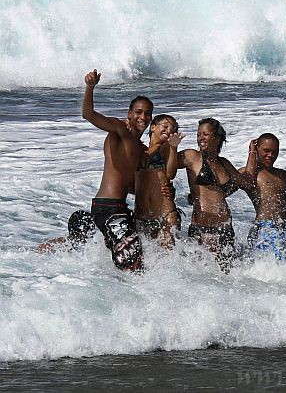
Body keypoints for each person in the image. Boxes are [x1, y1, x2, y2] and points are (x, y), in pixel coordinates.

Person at [82, 68, 152, 271]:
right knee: (134, 258)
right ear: (129, 114)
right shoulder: (120, 130)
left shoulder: (141, 149)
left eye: (147, 114)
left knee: (141, 250)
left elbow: (131, 185)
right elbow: (88, 114)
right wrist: (90, 87)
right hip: (107, 206)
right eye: (138, 112)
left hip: (120, 208)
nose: (143, 117)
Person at [177, 118, 256, 271]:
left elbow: (247, 183)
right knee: (208, 278)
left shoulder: (224, 163)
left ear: (217, 138)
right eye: (198, 134)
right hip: (203, 229)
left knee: (228, 278)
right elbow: (165, 166)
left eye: (205, 134)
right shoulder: (192, 157)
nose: (200, 137)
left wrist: (252, 151)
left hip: (226, 229)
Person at [134, 114, 185, 248]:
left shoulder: (167, 150)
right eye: (165, 126)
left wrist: (173, 148)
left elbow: (170, 174)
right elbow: (142, 163)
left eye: (173, 129)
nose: (169, 130)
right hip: (142, 215)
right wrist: (155, 146)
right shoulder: (139, 148)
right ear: (153, 127)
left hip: (166, 213)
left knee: (168, 258)